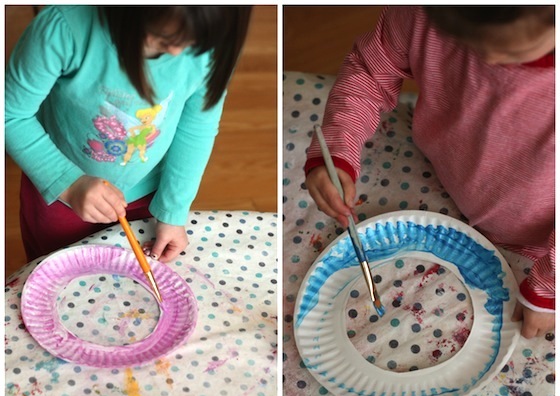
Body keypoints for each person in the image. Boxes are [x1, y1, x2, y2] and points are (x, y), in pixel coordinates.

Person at [304, 6, 554, 339]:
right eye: (467, 42)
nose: (489, 59)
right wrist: (337, 150)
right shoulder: (421, 11)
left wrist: (548, 287)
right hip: (442, 176)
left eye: (513, 52)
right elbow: (369, 72)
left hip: (539, 246)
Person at [6, 5, 252, 263]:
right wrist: (68, 183)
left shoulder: (213, 40)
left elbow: (197, 127)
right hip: (59, 194)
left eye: (193, 43)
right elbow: (9, 115)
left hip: (149, 194)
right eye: (162, 40)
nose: (178, 52)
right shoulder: (64, 28)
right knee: (52, 269)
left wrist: (172, 210)